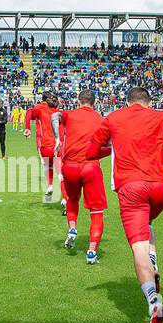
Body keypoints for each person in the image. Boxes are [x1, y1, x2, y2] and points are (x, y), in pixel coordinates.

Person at [87, 86, 163, 323]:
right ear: (148, 100)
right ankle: (153, 264)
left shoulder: (113, 118)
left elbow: (91, 150)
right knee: (148, 226)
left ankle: (154, 302)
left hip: (131, 188)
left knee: (138, 247)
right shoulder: (159, 116)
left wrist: (110, 149)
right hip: (161, 188)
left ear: (128, 101)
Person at [52, 89, 109, 264]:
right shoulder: (101, 120)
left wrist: (57, 139)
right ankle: (91, 251)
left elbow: (54, 116)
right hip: (91, 167)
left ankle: (72, 229)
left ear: (78, 101)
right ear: (95, 102)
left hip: (70, 167)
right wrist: (106, 152)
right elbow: (108, 144)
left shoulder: (69, 114)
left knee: (72, 199)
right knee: (96, 211)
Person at [23, 93, 60, 203]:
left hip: (42, 138)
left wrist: (28, 128)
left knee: (46, 164)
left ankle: (49, 185)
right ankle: (63, 196)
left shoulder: (39, 108)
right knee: (59, 167)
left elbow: (29, 113)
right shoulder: (57, 111)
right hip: (57, 140)